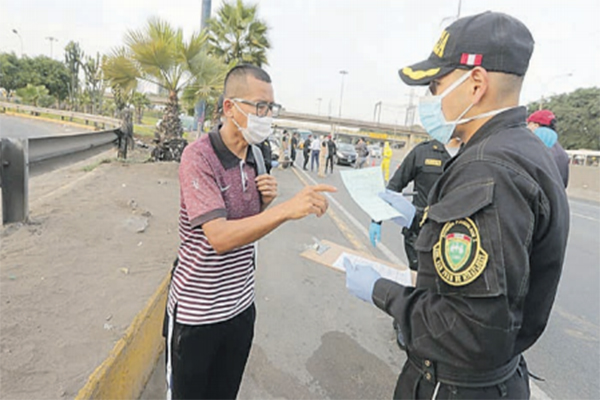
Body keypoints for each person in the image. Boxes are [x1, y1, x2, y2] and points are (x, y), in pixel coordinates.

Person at [346, 12, 569, 399]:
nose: (430, 99)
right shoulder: (524, 150)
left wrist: (382, 291)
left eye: (436, 85)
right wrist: (419, 218)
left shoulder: (488, 168)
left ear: (476, 83)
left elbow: (470, 330)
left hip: (455, 386)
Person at [166, 64, 336, 400]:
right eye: (259, 106)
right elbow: (220, 238)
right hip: (198, 316)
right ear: (229, 107)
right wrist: (285, 209)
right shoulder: (198, 157)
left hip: (240, 309)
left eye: (270, 107)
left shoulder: (258, 155)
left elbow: (245, 228)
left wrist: (265, 203)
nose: (266, 115)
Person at [370, 138, 460, 271]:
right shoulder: (422, 152)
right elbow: (392, 189)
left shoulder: (474, 151)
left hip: (457, 238)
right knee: (420, 283)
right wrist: (376, 220)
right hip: (420, 235)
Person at [527, 109, 569, 187]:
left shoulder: (537, 145)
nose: (527, 128)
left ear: (536, 125)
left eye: (529, 124)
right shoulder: (561, 151)